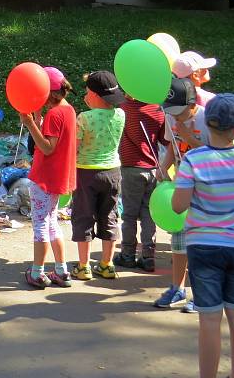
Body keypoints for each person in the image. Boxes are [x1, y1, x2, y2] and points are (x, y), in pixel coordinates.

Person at [172, 94, 234, 378]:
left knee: (209, 319)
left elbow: (178, 206)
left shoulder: (194, 160)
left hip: (203, 246)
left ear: (206, 123)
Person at [19, 66, 77, 288]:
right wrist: (37, 118)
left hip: (44, 177)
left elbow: (47, 147)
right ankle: (62, 271)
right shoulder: (68, 110)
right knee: (52, 222)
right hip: (59, 176)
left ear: (49, 93)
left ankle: (37, 272)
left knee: (40, 225)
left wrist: (31, 123)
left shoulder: (54, 114)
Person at [155, 77, 207, 312]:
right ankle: (177, 288)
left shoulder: (207, 119)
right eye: (171, 111)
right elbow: (171, 145)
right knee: (178, 243)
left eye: (179, 111)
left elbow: (215, 153)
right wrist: (163, 166)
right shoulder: (171, 116)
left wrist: (189, 138)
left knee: (200, 246)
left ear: (192, 103)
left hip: (205, 192)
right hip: (180, 187)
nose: (174, 116)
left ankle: (202, 294)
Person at [71, 71, 126, 280]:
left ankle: (83, 266)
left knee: (84, 216)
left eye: (87, 92)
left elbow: (75, 147)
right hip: (113, 171)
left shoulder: (84, 118)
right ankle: (106, 263)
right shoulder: (121, 115)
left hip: (86, 171)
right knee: (110, 215)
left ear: (94, 95)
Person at [114, 94, 169, 272]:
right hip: (152, 167)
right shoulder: (157, 108)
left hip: (130, 167)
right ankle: (148, 256)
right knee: (148, 213)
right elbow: (164, 140)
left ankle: (128, 254)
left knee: (129, 214)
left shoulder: (124, 107)